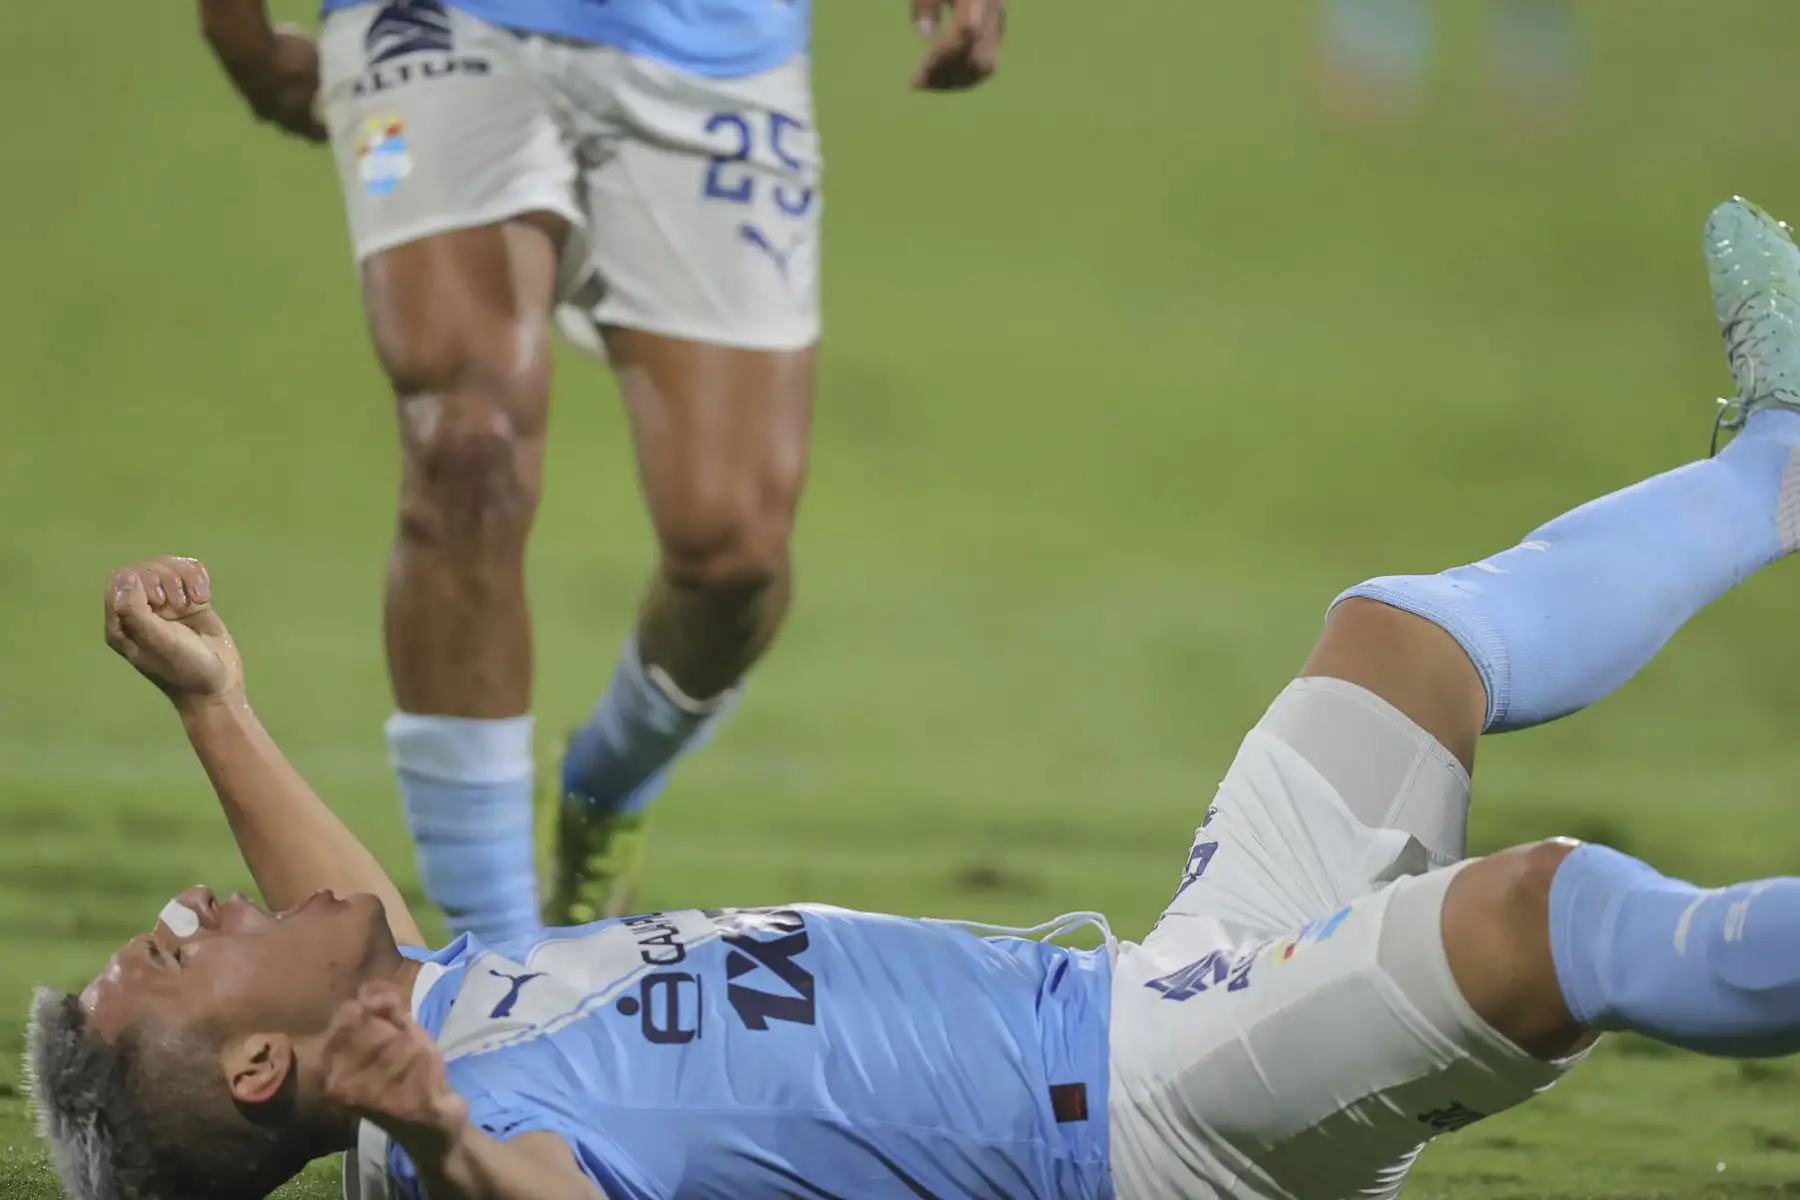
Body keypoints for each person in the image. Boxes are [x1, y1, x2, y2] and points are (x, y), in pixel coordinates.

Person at [31, 196, 1800, 1199]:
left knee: (1402, 644)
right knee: (1550, 915)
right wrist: (444, 1136)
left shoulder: (427, 1018)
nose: (198, 901)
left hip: (1141, 995)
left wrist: (217, 710)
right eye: (179, 953)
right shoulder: (454, 1147)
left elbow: (362, 920)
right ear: (267, 1068)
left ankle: (1784, 458)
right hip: (1162, 1126)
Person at [190, 0, 1010, 943]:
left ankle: (604, 787)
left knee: (733, 549)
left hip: (712, 40)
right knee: (465, 443)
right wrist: (234, 26)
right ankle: (498, 970)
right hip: (440, 25)